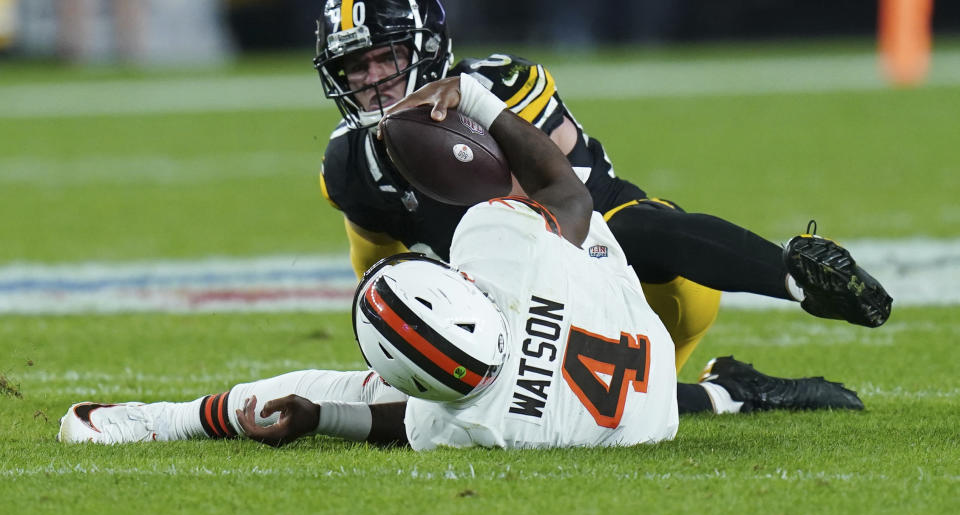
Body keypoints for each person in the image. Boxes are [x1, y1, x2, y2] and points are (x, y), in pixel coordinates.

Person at [58, 76, 864, 449]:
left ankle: (154, 420)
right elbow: (561, 190)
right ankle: (756, 343)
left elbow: (378, 411)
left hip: (642, 401)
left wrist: (316, 419)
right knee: (619, 226)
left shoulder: (469, 426)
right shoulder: (504, 246)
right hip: (622, 323)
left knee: (639, 225)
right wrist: (481, 103)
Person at [314, 0, 892, 371]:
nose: (370, 80)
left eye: (383, 56)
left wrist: (475, 114)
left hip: (638, 279)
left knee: (632, 233)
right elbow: (383, 282)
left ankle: (797, 276)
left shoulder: (502, 90)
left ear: (427, 47)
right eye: (353, 67)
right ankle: (729, 394)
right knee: (502, 388)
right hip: (521, 323)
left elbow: (576, 216)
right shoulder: (349, 164)